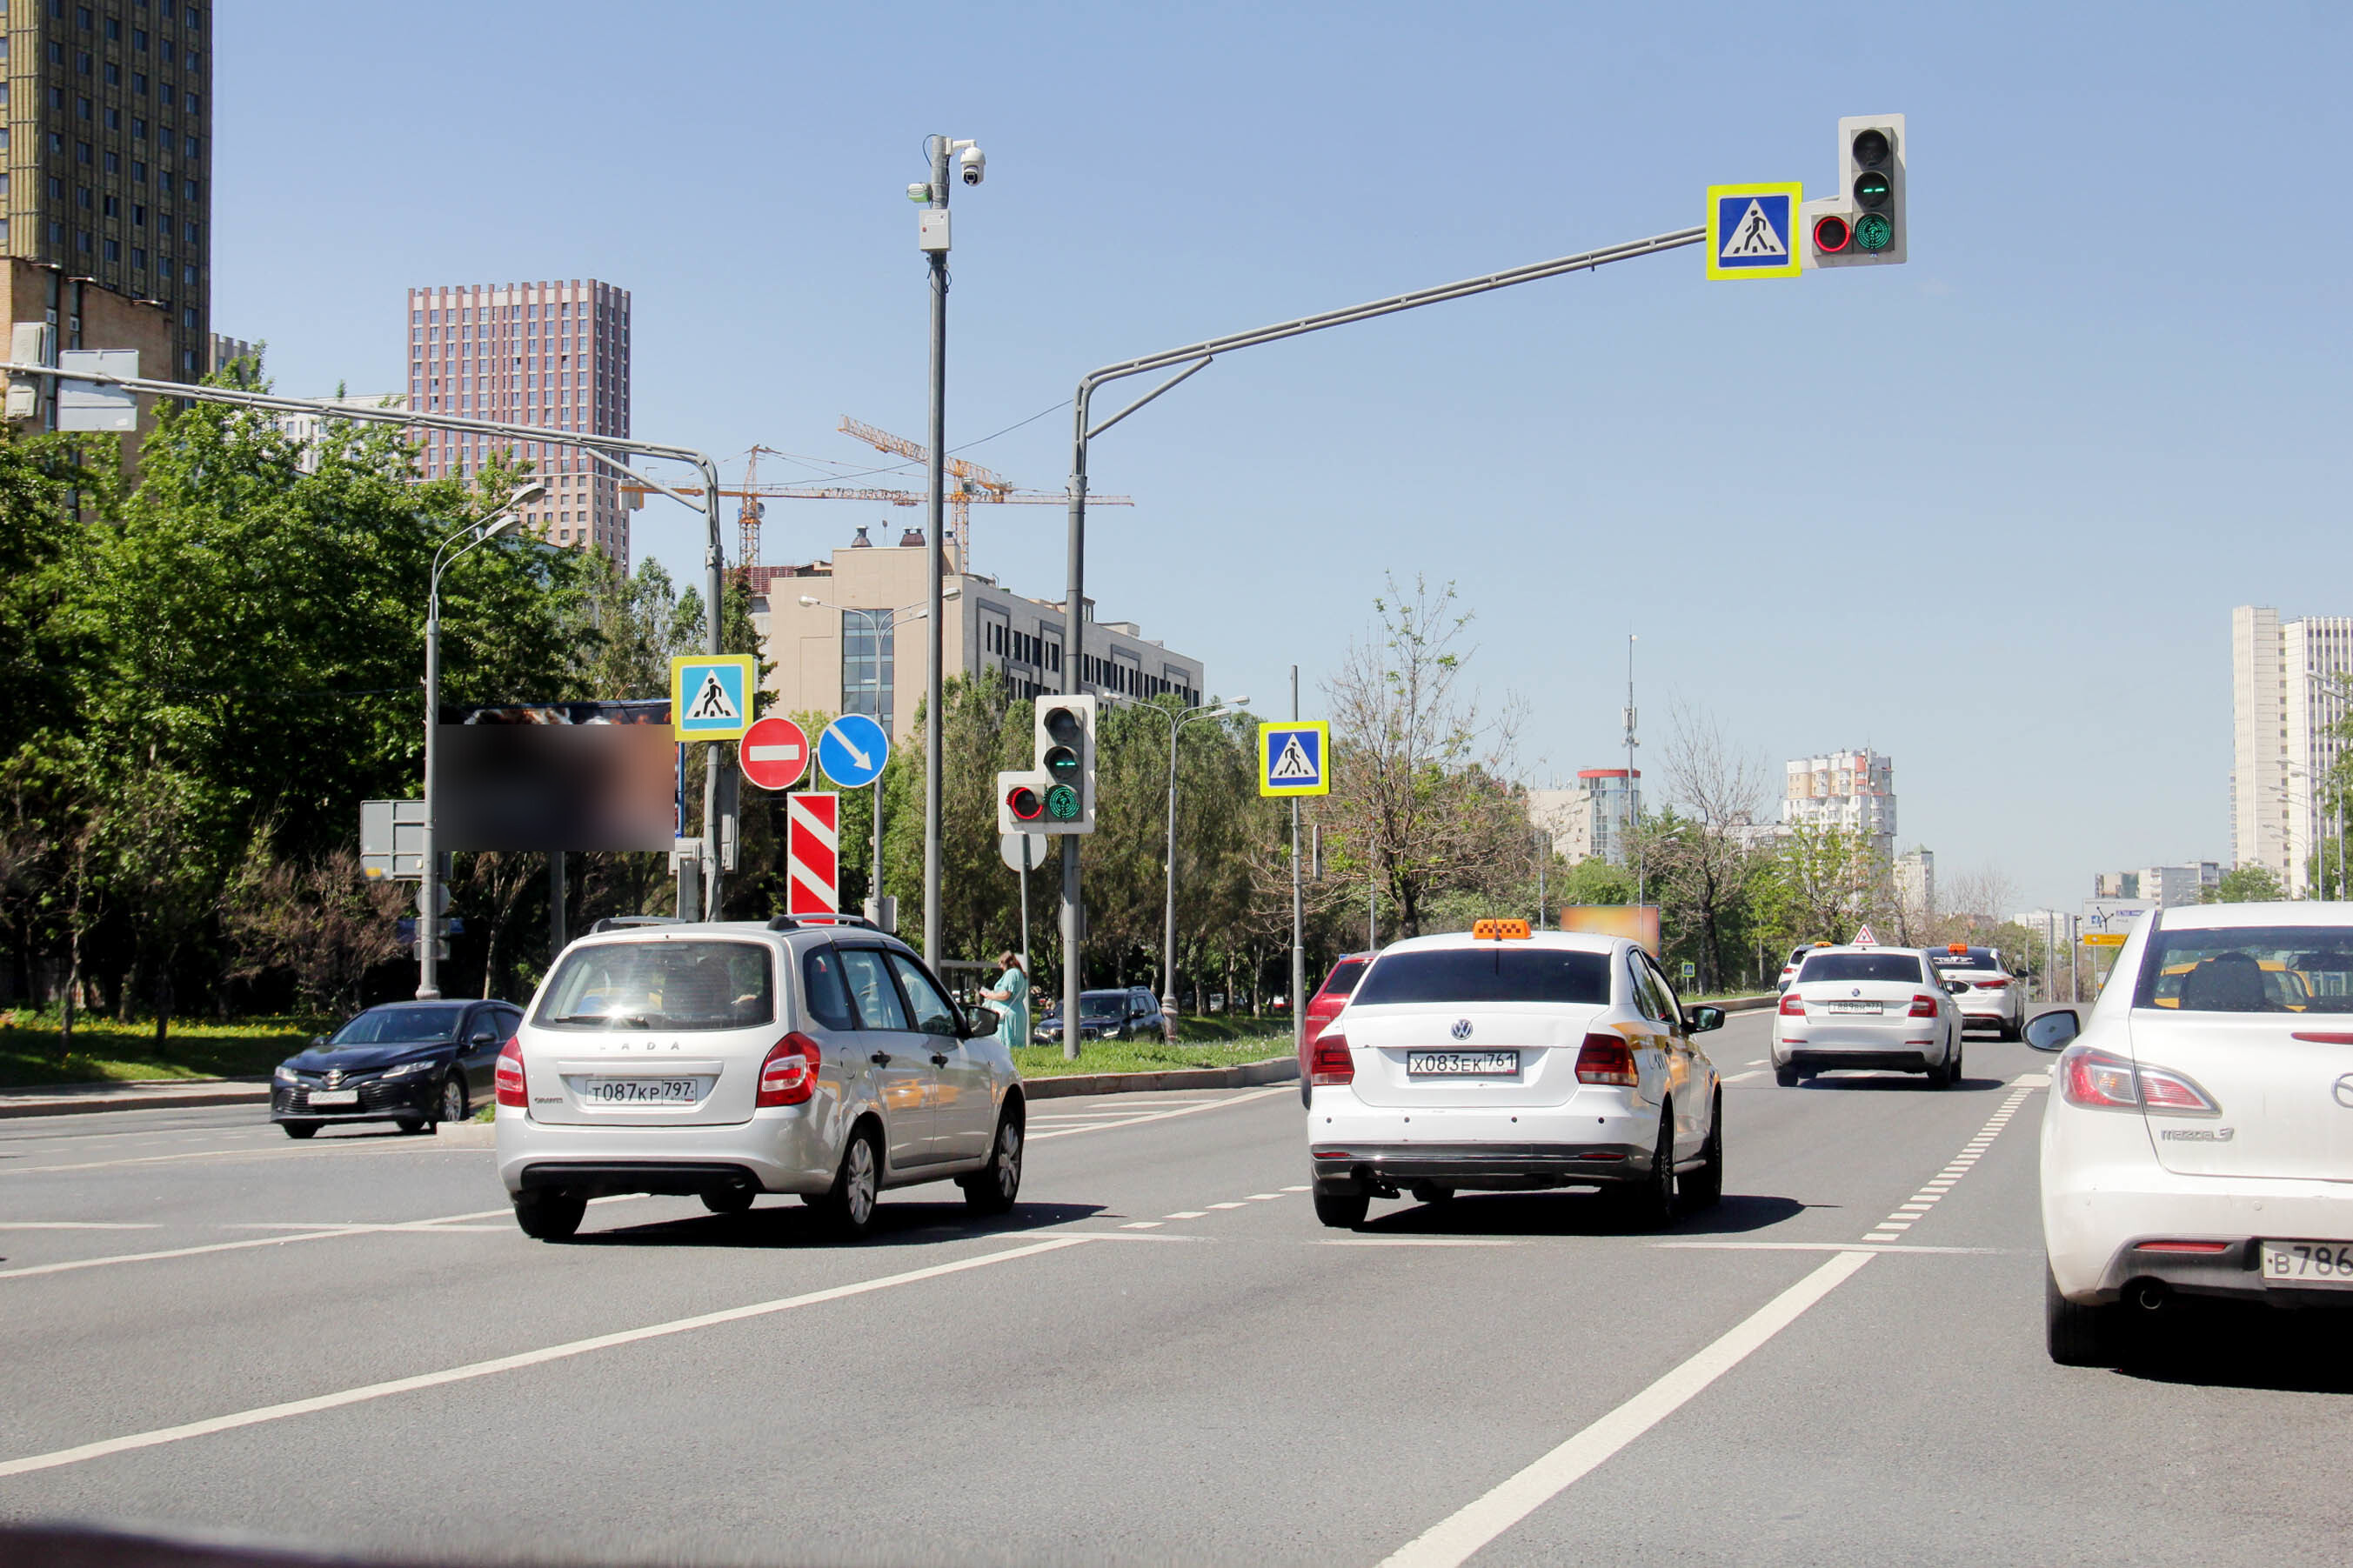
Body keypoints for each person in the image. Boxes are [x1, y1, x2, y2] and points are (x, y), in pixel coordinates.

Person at [979, 951, 1029, 1053]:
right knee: (1017, 1046)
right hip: (1017, 1011)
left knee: (1004, 1044)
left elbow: (1006, 994)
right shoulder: (1020, 974)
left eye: (1001, 962)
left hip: (1006, 1013)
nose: (999, 965)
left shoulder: (1011, 973)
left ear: (1007, 963)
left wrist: (991, 995)